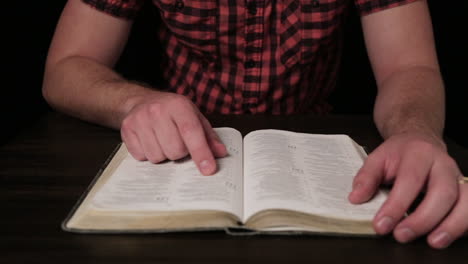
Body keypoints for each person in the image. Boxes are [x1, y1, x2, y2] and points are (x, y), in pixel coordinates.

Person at [42, 0, 466, 248]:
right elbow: (66, 67)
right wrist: (135, 101)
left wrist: (416, 132)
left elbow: (407, 67)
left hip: (315, 159)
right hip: (177, 160)